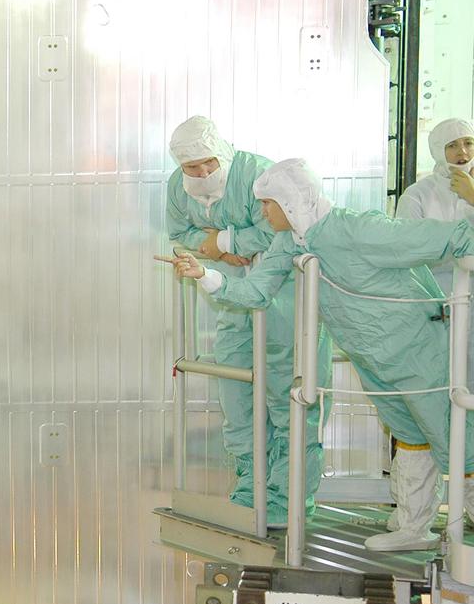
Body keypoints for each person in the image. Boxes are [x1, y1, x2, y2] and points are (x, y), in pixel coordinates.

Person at [173, 158, 474, 550]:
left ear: (291, 201)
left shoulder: (357, 228)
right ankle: (415, 527)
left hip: (416, 349)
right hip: (372, 357)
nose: (262, 213)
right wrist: (206, 275)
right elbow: (257, 291)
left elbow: (447, 237)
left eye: (267, 204)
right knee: (410, 434)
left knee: (454, 438)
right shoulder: (292, 240)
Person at [165, 117, 329, 525]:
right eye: (192, 168)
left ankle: (286, 498)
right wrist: (221, 251)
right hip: (233, 298)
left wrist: (220, 242)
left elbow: (277, 231)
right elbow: (179, 232)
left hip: (283, 300)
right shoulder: (176, 187)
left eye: (207, 164)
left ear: (222, 153)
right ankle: (250, 488)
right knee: (236, 396)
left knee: (287, 400)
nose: (202, 174)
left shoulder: (257, 174)